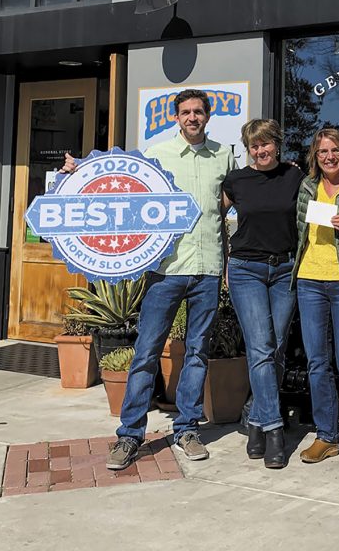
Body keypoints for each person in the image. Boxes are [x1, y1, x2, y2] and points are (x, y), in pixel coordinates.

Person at [62, 89, 235, 470]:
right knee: (145, 353)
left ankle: (186, 428)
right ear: (177, 117)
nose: (193, 117)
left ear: (208, 117)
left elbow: (226, 206)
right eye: (186, 112)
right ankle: (129, 435)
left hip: (207, 270)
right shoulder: (156, 155)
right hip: (165, 271)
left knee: (197, 353)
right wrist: (79, 175)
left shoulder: (224, 155)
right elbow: (119, 183)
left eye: (199, 112)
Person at [222, 118, 302, 469]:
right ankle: (273, 431)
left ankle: (254, 418)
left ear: (277, 144)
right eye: (254, 146)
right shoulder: (236, 180)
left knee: (276, 348)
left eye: (266, 144)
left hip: (285, 269)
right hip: (246, 270)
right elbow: (212, 216)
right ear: (248, 149)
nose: (260, 151)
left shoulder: (294, 176)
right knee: (260, 348)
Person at [291, 127, 339, 469]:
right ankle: (326, 436)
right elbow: (298, 233)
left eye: (335, 150)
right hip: (310, 281)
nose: (329, 157)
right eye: (323, 152)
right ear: (315, 156)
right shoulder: (307, 187)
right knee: (316, 362)